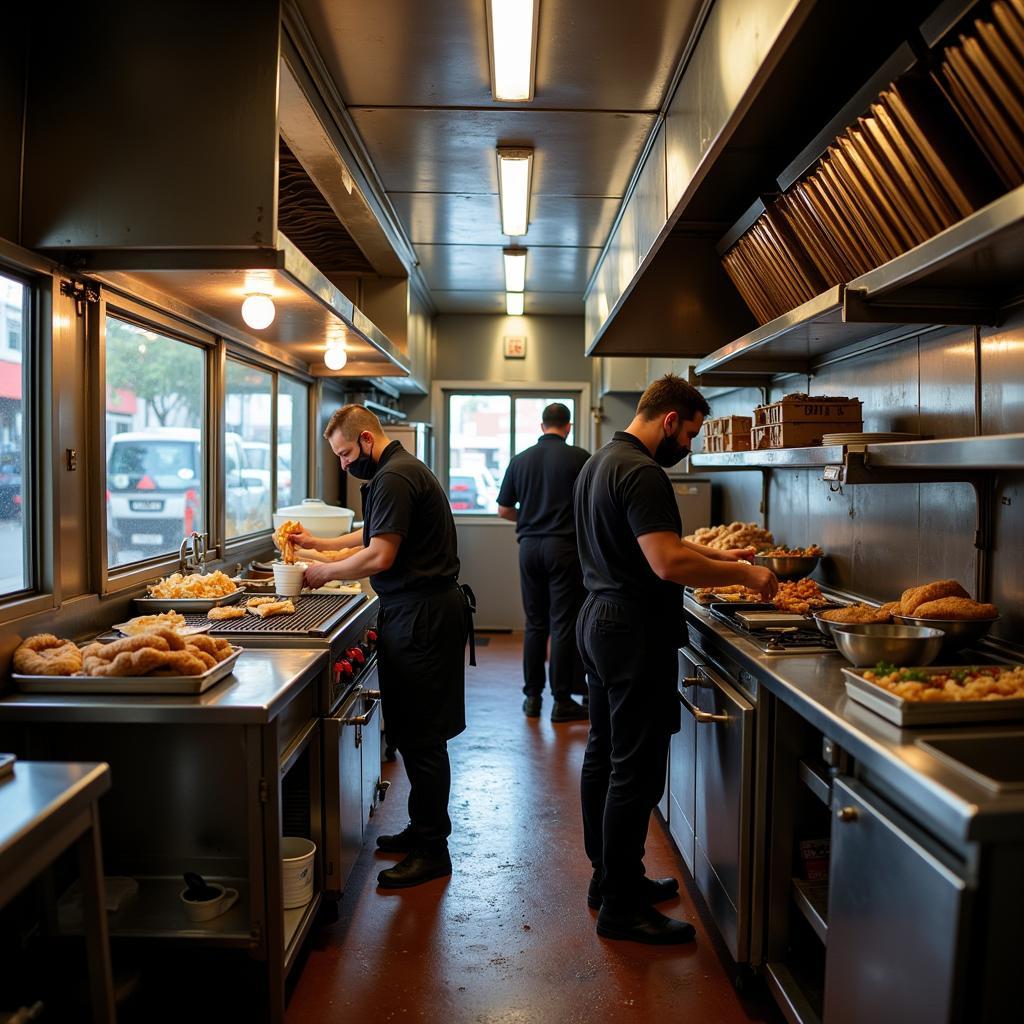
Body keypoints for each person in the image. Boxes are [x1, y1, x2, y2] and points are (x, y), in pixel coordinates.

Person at [573, 374, 777, 945]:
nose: (687, 446)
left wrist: (714, 553)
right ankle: (621, 908)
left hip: (599, 618)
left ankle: (612, 879)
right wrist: (745, 572)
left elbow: (646, 542)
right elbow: (663, 562)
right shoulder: (644, 472)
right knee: (633, 773)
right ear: (670, 421)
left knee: (605, 755)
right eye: (689, 434)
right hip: (631, 629)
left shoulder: (602, 462)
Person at [297, 405, 473, 890]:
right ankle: (422, 828)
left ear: (368, 441)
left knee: (422, 738)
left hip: (422, 616)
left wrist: (322, 572)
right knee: (416, 734)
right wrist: (320, 544)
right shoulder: (396, 472)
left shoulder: (394, 477)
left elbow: (380, 554)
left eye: (346, 453)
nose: (343, 464)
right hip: (419, 611)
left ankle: (433, 849)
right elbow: (372, 533)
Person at [497, 402, 591, 723]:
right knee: (562, 624)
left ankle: (532, 698)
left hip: (529, 548)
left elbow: (504, 510)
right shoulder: (580, 458)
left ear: (541, 426)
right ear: (568, 426)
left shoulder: (519, 460)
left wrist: (532, 519)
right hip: (564, 548)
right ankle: (562, 701)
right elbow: (593, 505)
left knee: (535, 623)